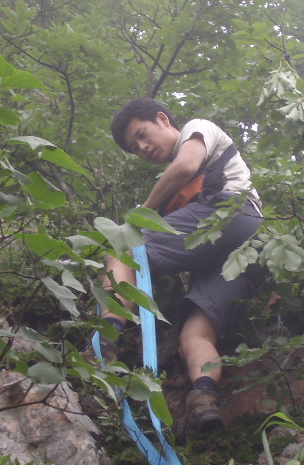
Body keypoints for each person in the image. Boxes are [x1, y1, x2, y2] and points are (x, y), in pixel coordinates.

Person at [98, 97, 262, 434]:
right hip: (243, 253)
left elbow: (186, 166)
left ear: (163, 119)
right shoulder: (177, 196)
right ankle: (204, 396)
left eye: (142, 135)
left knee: (123, 247)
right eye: (135, 148)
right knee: (195, 332)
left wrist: (137, 217)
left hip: (230, 213)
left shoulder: (197, 129)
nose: (143, 148)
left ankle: (105, 339)